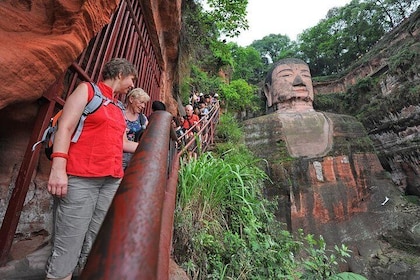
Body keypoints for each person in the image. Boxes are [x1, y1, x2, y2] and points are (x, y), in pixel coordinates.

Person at [45, 58, 139, 280]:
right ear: (120, 74)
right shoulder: (87, 91)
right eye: (131, 79)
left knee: (96, 241)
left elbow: (122, 143)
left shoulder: (117, 107)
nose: (132, 86)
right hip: (81, 178)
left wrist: (154, 146)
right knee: (69, 242)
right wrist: (58, 168)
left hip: (110, 181)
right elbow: (65, 127)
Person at [122, 87, 150, 169]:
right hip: (117, 157)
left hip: (135, 159)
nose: (143, 106)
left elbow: (149, 135)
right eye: (141, 102)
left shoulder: (143, 119)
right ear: (131, 99)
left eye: (144, 104)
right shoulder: (119, 113)